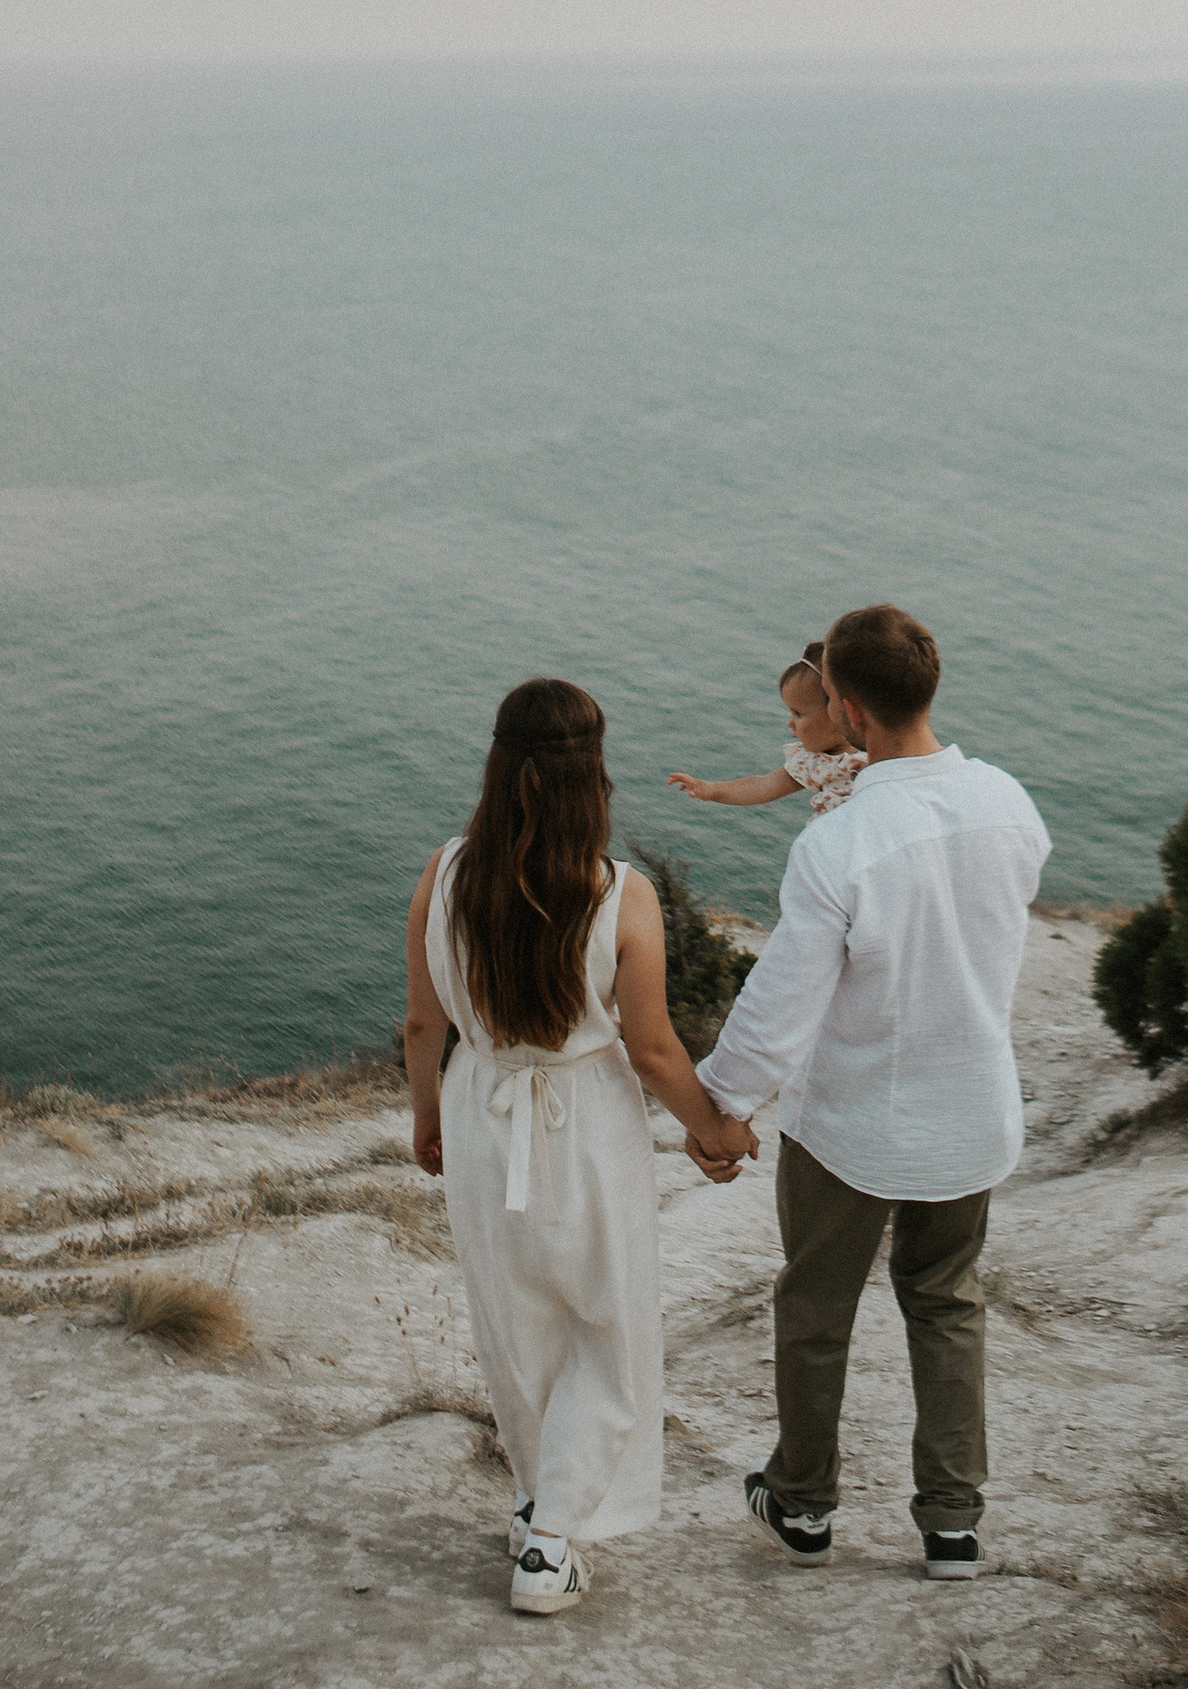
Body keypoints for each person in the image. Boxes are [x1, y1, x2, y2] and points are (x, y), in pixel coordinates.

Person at [693, 602, 1049, 1579]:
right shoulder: (1011, 805)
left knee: (816, 1309)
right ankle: (951, 1524)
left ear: (846, 710)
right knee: (946, 1304)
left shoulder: (840, 842)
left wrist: (722, 1103)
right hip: (970, 1113)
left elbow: (782, 1002)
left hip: (851, 1121)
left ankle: (803, 1505)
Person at [406, 675, 757, 1618]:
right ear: (592, 771)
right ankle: (552, 1538)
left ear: (496, 760)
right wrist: (713, 1129)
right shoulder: (619, 895)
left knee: (514, 1322)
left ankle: (535, 1503)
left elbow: (419, 1025)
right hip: (583, 1126)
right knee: (608, 1325)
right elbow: (650, 1048)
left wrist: (427, 1119)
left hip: (483, 1116)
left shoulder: (443, 873)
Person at [666, 638, 866, 821]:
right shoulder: (812, 762)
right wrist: (712, 790)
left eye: (799, 714)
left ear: (840, 712)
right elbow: (763, 786)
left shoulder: (875, 754)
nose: (790, 723)